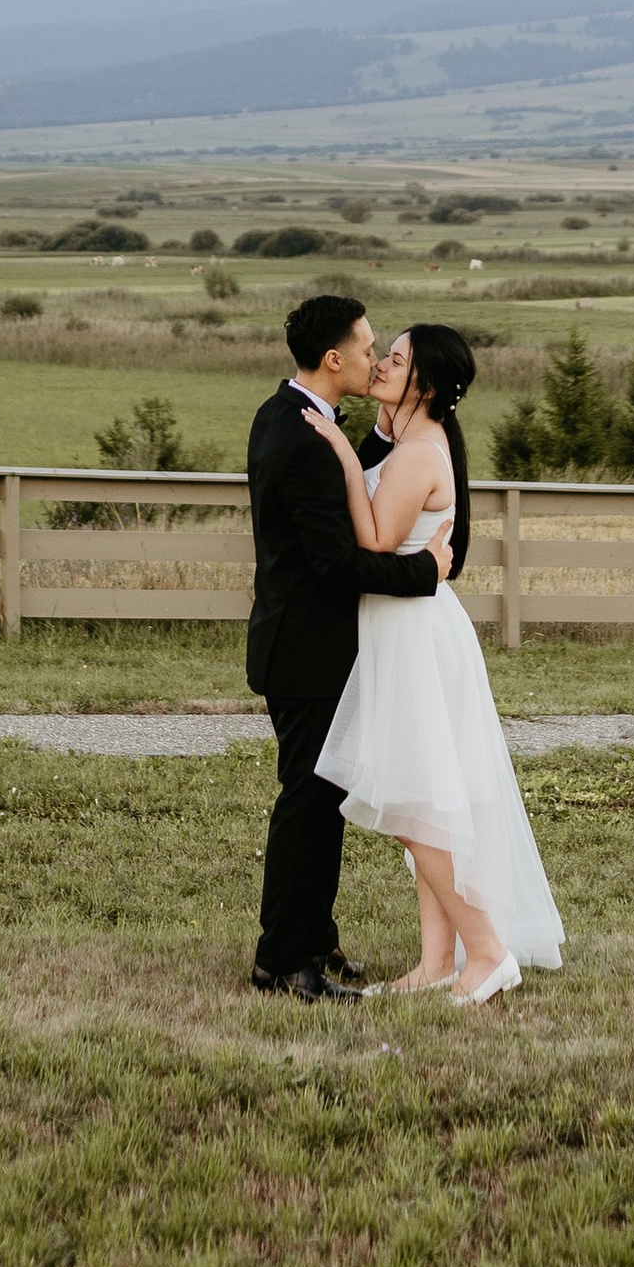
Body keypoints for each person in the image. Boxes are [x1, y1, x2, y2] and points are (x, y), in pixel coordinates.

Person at [309, 322, 565, 1004]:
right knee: (422, 803)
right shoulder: (411, 441)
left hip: (412, 635)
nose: (381, 365)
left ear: (423, 384)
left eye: (395, 360)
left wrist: (341, 453)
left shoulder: (419, 454)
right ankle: (434, 962)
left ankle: (486, 952)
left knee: (413, 809)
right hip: (405, 627)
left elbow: (375, 540)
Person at [244, 293, 442, 999]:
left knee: (325, 800)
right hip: (306, 652)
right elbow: (335, 562)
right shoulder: (304, 439)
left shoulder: (286, 415)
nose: (375, 357)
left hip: (302, 643)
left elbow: (340, 500)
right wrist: (424, 572)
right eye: (366, 348)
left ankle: (315, 937)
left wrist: (380, 441)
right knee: (307, 803)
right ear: (333, 359)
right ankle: (282, 960)